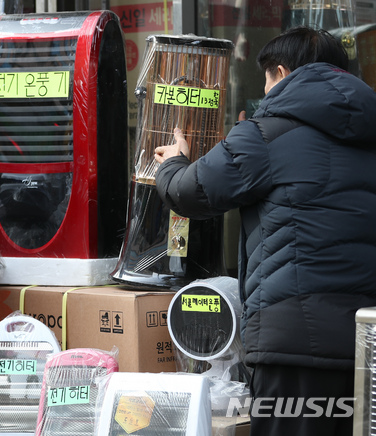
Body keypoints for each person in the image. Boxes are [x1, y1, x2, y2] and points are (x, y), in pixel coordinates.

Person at [154, 26, 376, 435]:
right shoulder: (368, 135)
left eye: (267, 80)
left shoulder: (265, 133)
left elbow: (191, 192)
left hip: (292, 342)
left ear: (280, 72)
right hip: (365, 339)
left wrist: (173, 162)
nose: (266, 91)